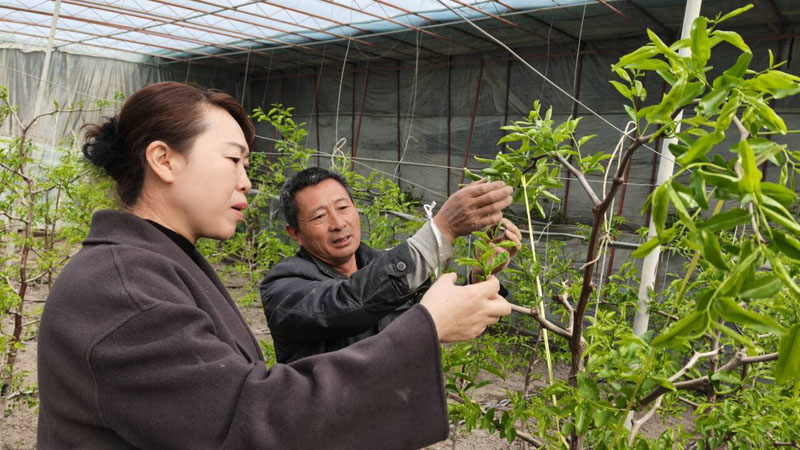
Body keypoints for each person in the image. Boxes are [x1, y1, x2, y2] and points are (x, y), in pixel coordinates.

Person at [36, 81, 512, 449]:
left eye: (344, 207)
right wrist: (433, 294)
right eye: (234, 160)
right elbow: (245, 418)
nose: (247, 182)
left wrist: (477, 277)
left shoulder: (157, 265)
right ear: (164, 159)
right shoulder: (124, 288)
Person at [261, 167, 522, 363]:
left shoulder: (381, 267)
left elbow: (433, 320)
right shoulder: (282, 287)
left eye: (343, 207)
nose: (338, 223)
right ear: (294, 232)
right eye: (319, 216)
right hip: (332, 427)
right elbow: (348, 303)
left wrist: (481, 274)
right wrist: (441, 230)